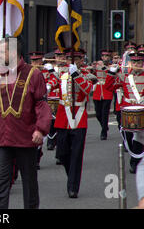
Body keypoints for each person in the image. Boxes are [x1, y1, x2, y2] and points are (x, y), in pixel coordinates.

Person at [0, 37, 52, 209]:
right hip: (1, 136)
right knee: (1, 179)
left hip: (26, 136)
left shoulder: (33, 73)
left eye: (1, 51)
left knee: (29, 179)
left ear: (13, 52)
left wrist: (40, 129)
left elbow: (41, 104)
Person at [46, 48, 93, 198]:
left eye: (76, 59)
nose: (71, 62)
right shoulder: (61, 74)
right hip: (63, 118)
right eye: (68, 59)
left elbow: (88, 89)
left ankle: (73, 187)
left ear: (81, 60)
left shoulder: (85, 74)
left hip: (79, 119)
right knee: (62, 153)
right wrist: (46, 85)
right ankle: (71, 175)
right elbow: (52, 82)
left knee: (76, 155)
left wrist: (76, 75)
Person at [104, 51, 144, 174]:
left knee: (139, 137)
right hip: (127, 111)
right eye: (134, 61)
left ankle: (135, 162)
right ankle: (136, 157)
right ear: (130, 63)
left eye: (139, 61)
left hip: (142, 111)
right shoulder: (125, 77)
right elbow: (108, 87)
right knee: (128, 137)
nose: (136, 64)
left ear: (143, 63)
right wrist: (111, 73)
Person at [93, 50, 113, 140]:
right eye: (104, 56)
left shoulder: (112, 67)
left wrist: (103, 66)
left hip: (107, 91)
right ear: (101, 57)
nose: (106, 58)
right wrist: (93, 67)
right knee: (98, 113)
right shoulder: (97, 65)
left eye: (108, 56)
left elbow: (110, 73)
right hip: (97, 91)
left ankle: (103, 132)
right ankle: (104, 126)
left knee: (105, 112)